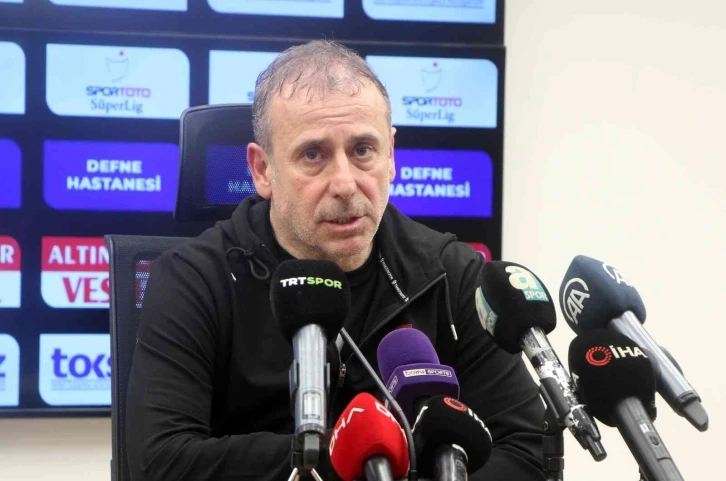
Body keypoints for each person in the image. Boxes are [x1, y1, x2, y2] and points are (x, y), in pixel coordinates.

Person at [125, 39, 546, 481]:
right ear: (262, 170)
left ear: (390, 156)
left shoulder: (450, 274)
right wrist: (347, 457)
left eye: (362, 150)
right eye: (313, 155)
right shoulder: (194, 279)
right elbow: (160, 463)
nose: (345, 183)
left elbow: (527, 451)